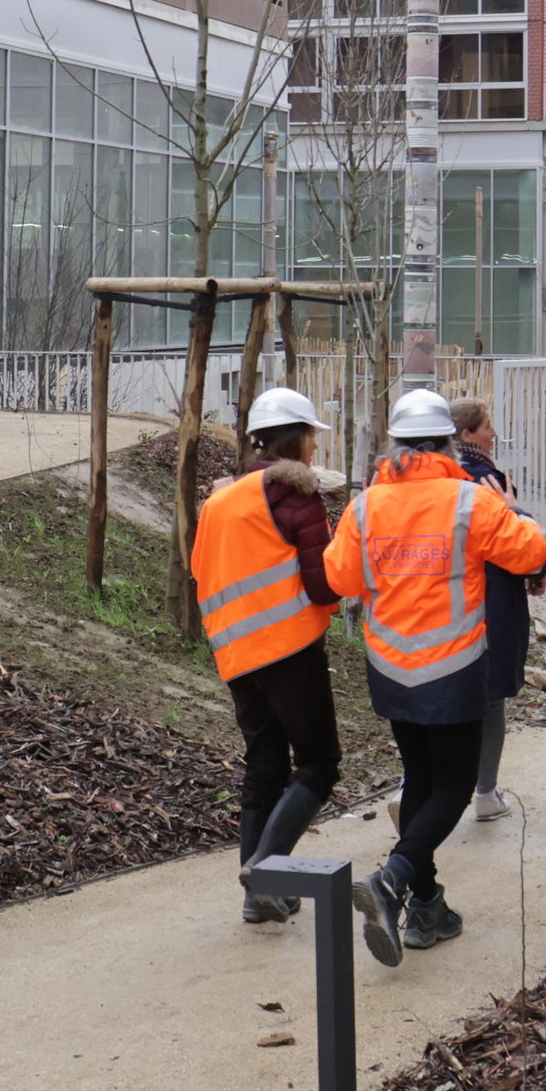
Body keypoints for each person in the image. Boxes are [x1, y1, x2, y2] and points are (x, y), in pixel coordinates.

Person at [326, 386, 546, 960]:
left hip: (391, 667)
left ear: (394, 445)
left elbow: (341, 579)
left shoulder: (367, 504)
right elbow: (529, 554)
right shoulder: (468, 500)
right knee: (452, 786)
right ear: (447, 442)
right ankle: (394, 877)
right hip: (452, 666)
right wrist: (513, 508)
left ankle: (425, 908)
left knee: (420, 782)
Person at [187, 387, 343, 925]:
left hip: (236, 655)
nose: (315, 450)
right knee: (320, 763)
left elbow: (200, 572)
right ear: (297, 438)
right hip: (290, 650)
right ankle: (264, 869)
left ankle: (258, 897)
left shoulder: (221, 501)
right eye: (311, 437)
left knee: (265, 765)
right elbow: (323, 587)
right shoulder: (298, 499)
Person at [454, 405, 546, 826]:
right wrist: (519, 515)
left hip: (442, 607)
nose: (494, 434)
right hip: (492, 601)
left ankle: (415, 785)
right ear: (468, 433)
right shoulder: (490, 482)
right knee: (489, 703)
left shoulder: (433, 481)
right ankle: (484, 794)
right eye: (487, 426)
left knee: (442, 697)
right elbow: (520, 551)